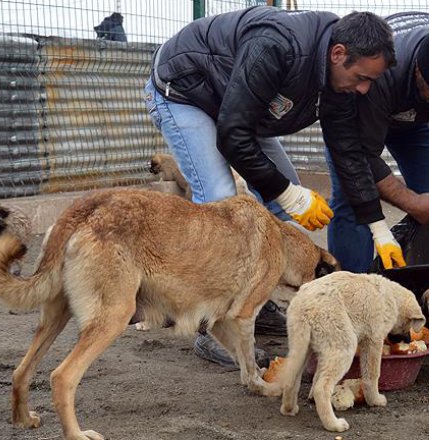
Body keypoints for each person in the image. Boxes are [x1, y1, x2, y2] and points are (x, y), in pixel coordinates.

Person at [144, 6, 395, 365]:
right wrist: (289, 194)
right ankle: (209, 325)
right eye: (362, 77)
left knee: (283, 206)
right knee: (219, 205)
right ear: (338, 54)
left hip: (238, 107)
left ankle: (252, 307)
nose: (365, 88)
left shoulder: (340, 79)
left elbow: (347, 151)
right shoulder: (277, 45)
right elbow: (233, 135)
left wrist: (378, 226)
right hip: (185, 92)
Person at [321, 11, 429, 272]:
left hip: (423, 127)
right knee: (354, 199)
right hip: (365, 117)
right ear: (418, 72)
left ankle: (425, 291)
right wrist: (411, 203)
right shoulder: (379, 73)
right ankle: (353, 290)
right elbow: (360, 156)